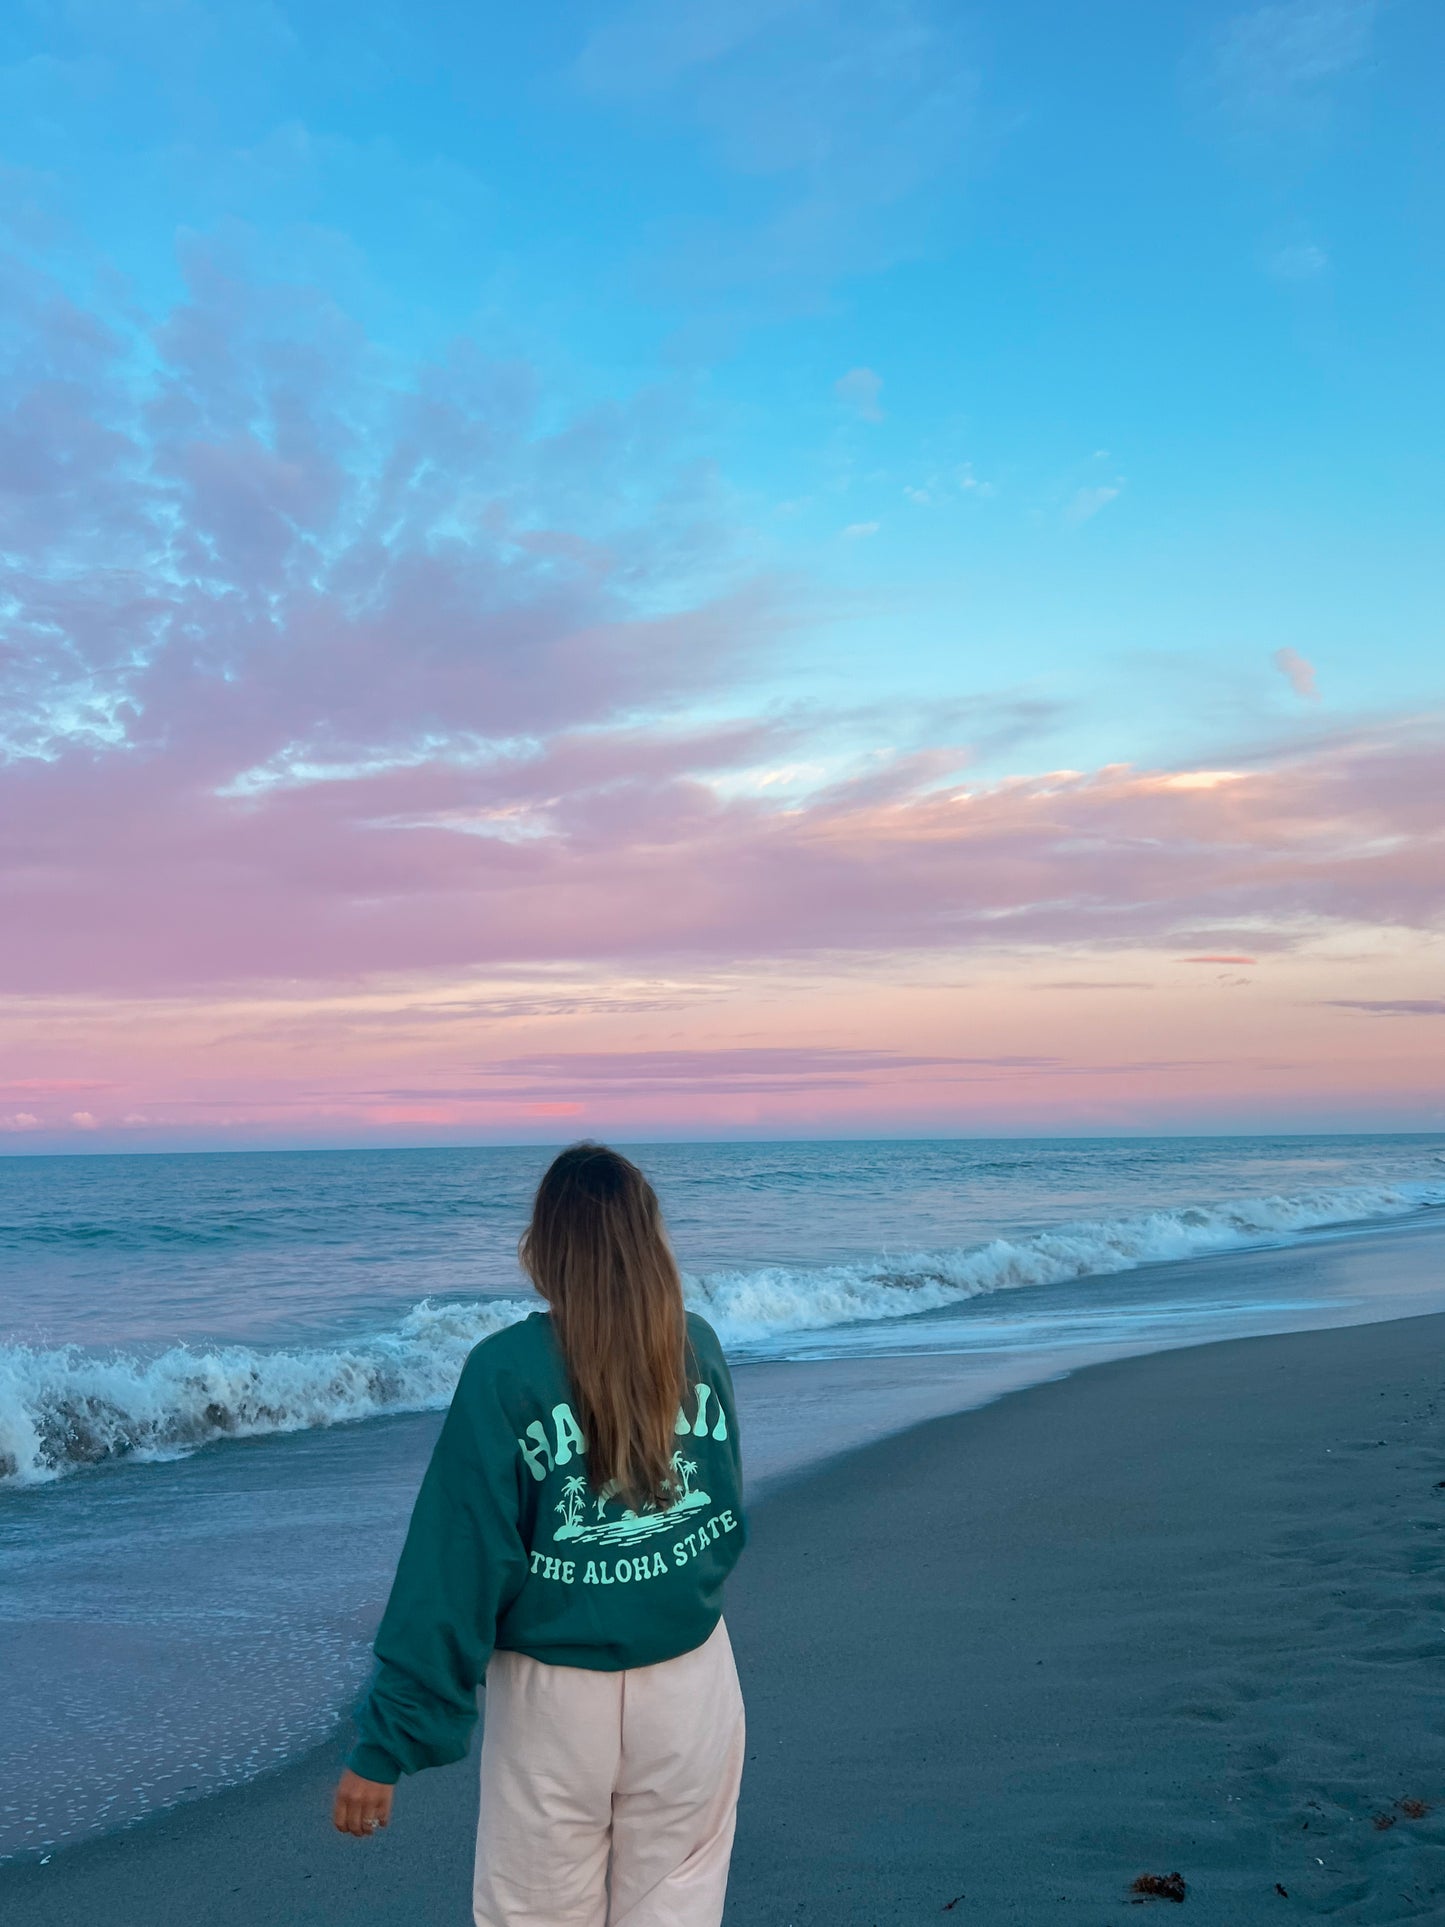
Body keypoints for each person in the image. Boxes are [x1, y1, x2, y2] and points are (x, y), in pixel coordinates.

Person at [332, 1142, 748, 1927]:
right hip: (692, 1680)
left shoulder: (505, 1370)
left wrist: (383, 1745)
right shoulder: (694, 1345)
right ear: (650, 1239)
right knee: (677, 1908)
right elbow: (720, 1512)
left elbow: (453, 1564)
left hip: (554, 1698)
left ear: (543, 1248)